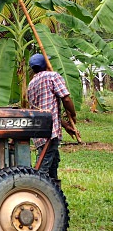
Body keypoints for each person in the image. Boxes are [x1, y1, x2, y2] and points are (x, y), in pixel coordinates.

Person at [26, 53, 77, 182]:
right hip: (50, 132)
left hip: (39, 131)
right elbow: (66, 98)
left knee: (53, 161)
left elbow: (48, 110)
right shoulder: (52, 76)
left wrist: (65, 126)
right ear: (46, 65)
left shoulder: (31, 84)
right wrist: (73, 114)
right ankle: (36, 189)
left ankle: (54, 191)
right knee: (43, 167)